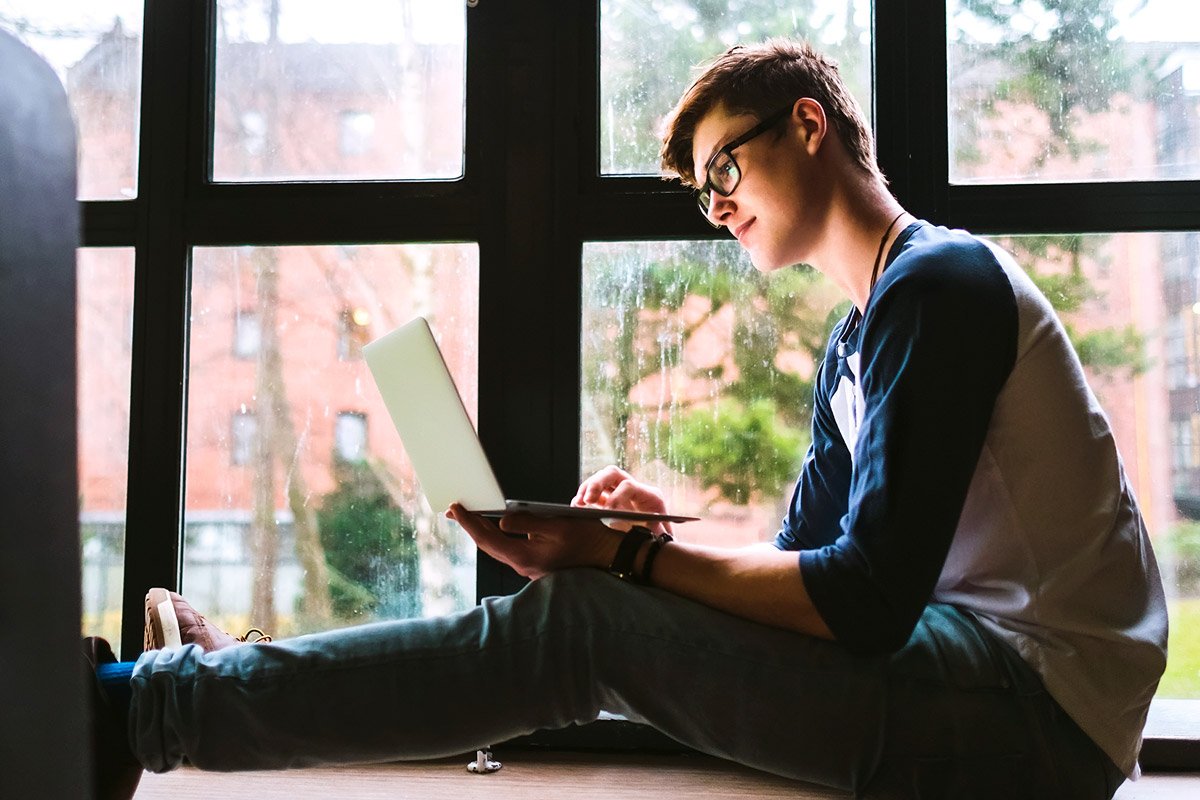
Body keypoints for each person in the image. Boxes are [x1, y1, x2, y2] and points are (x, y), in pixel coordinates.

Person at [87, 38, 1168, 799]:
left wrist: (627, 561)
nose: (718, 205)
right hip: (975, 675)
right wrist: (648, 540)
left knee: (585, 622)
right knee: (590, 607)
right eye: (704, 192)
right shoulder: (863, 331)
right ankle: (204, 688)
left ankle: (137, 712)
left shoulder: (942, 284)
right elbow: (807, 572)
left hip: (1042, 717)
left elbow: (867, 600)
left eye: (723, 168)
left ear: (810, 122)